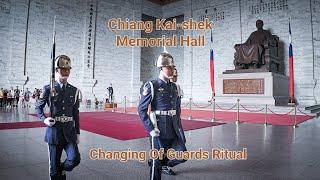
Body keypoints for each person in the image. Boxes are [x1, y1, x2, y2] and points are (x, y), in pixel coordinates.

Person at [138, 52, 187, 180]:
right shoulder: (152, 85)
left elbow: (177, 111)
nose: (171, 70)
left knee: (183, 155)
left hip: (173, 128)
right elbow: (141, 110)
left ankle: (162, 164)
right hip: (158, 128)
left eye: (172, 67)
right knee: (157, 160)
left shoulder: (174, 87)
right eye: (168, 67)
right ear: (161, 68)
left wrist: (180, 130)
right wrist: (150, 129)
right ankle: (157, 164)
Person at [35, 55, 81, 180]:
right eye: (63, 69)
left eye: (68, 69)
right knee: (54, 172)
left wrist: (77, 133)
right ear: (56, 70)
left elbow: (76, 113)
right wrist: (44, 119)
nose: (66, 72)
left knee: (74, 159)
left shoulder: (75, 90)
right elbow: (38, 108)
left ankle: (62, 168)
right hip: (54, 133)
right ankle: (57, 171)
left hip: (69, 132)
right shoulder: (48, 88)